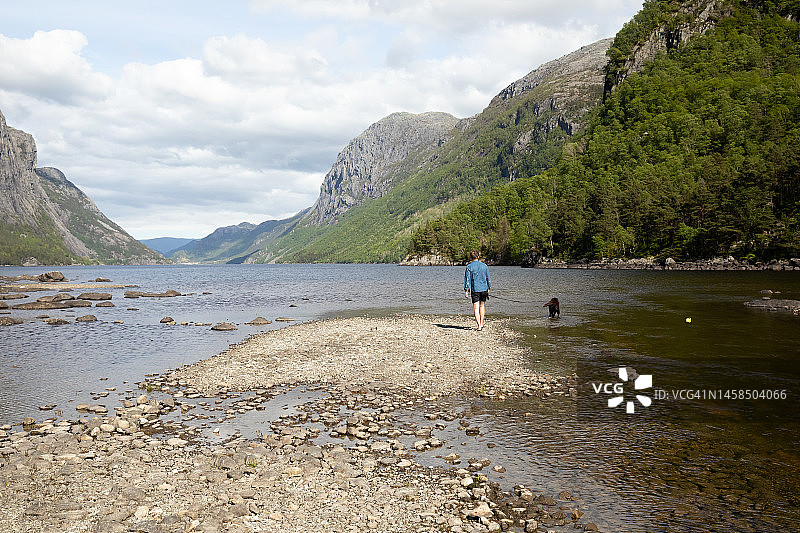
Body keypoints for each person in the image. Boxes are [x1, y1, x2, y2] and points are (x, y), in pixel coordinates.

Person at [464, 251, 490, 330]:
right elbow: (488, 278)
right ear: (478, 256)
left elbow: (467, 280)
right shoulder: (484, 266)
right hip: (484, 289)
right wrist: (489, 287)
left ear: (471, 258)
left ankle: (479, 325)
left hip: (475, 289)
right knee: (482, 306)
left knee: (476, 308)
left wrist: (466, 290)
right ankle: (482, 323)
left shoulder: (469, 266)